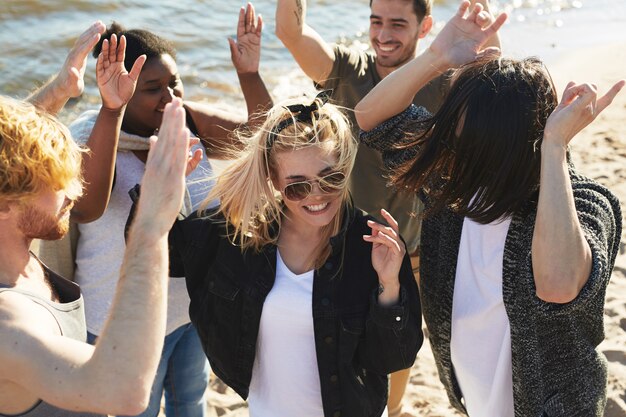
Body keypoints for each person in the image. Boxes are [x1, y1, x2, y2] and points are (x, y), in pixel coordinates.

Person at [355, 1, 624, 415]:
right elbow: (371, 118)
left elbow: (558, 285)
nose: (453, 149)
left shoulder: (586, 204)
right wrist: (436, 57)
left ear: (513, 144)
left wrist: (554, 147)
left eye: (468, 141)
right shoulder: (453, 185)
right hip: (472, 401)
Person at [127, 92, 423, 417]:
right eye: (297, 186)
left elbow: (395, 356)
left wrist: (389, 285)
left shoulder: (371, 244)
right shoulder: (239, 235)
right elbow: (153, 248)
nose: (317, 196)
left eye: (331, 179)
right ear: (274, 180)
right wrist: (159, 188)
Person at [40, 5, 272, 417]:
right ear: (122, 87)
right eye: (152, 88)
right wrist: (112, 111)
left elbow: (269, 142)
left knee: (190, 399)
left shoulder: (186, 123)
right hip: (120, 319)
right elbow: (87, 210)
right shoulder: (89, 137)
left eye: (175, 83)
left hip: (188, 311)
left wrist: (249, 75)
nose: (169, 96)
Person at [274, 1, 497, 413]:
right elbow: (291, 32)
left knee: (396, 350)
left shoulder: (445, 79)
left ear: (425, 26)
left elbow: (496, 82)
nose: (383, 34)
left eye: (398, 24)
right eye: (376, 21)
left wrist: (485, 29)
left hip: (414, 251)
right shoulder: (346, 69)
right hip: (341, 246)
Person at [0, 92, 195, 416]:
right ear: (5, 204)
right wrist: (151, 225)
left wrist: (61, 90)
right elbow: (122, 392)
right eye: (56, 183)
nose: (75, 192)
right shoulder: (7, 322)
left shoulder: (18, 252)